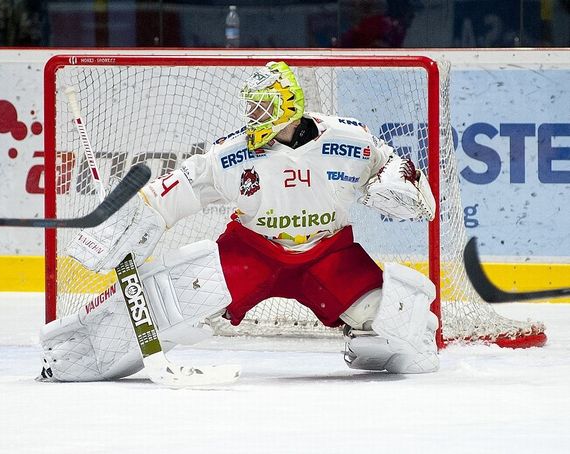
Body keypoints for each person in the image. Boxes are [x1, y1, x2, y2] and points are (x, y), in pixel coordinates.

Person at [39, 61, 439, 382]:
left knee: (402, 332)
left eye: (263, 107)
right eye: (251, 107)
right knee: (172, 303)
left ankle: (372, 344)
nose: (254, 116)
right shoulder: (231, 154)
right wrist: (134, 213)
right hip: (253, 252)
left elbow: (387, 161)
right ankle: (74, 353)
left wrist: (399, 177)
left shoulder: (348, 139)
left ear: (288, 107)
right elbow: (184, 185)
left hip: (328, 255)